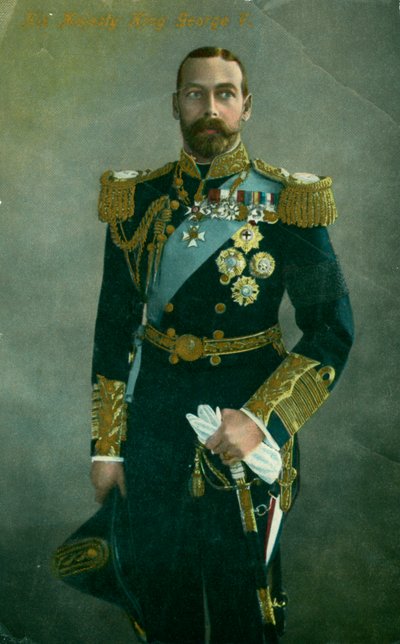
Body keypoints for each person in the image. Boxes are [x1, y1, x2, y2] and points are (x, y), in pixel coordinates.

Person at [89, 47, 354, 643]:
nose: (210, 107)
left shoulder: (289, 202)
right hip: (154, 426)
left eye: (224, 94)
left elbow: (332, 327)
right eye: (195, 94)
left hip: (243, 420)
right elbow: (114, 328)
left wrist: (261, 421)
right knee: (163, 605)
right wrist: (106, 449)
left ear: (246, 106)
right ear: (176, 105)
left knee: (245, 610)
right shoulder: (137, 200)